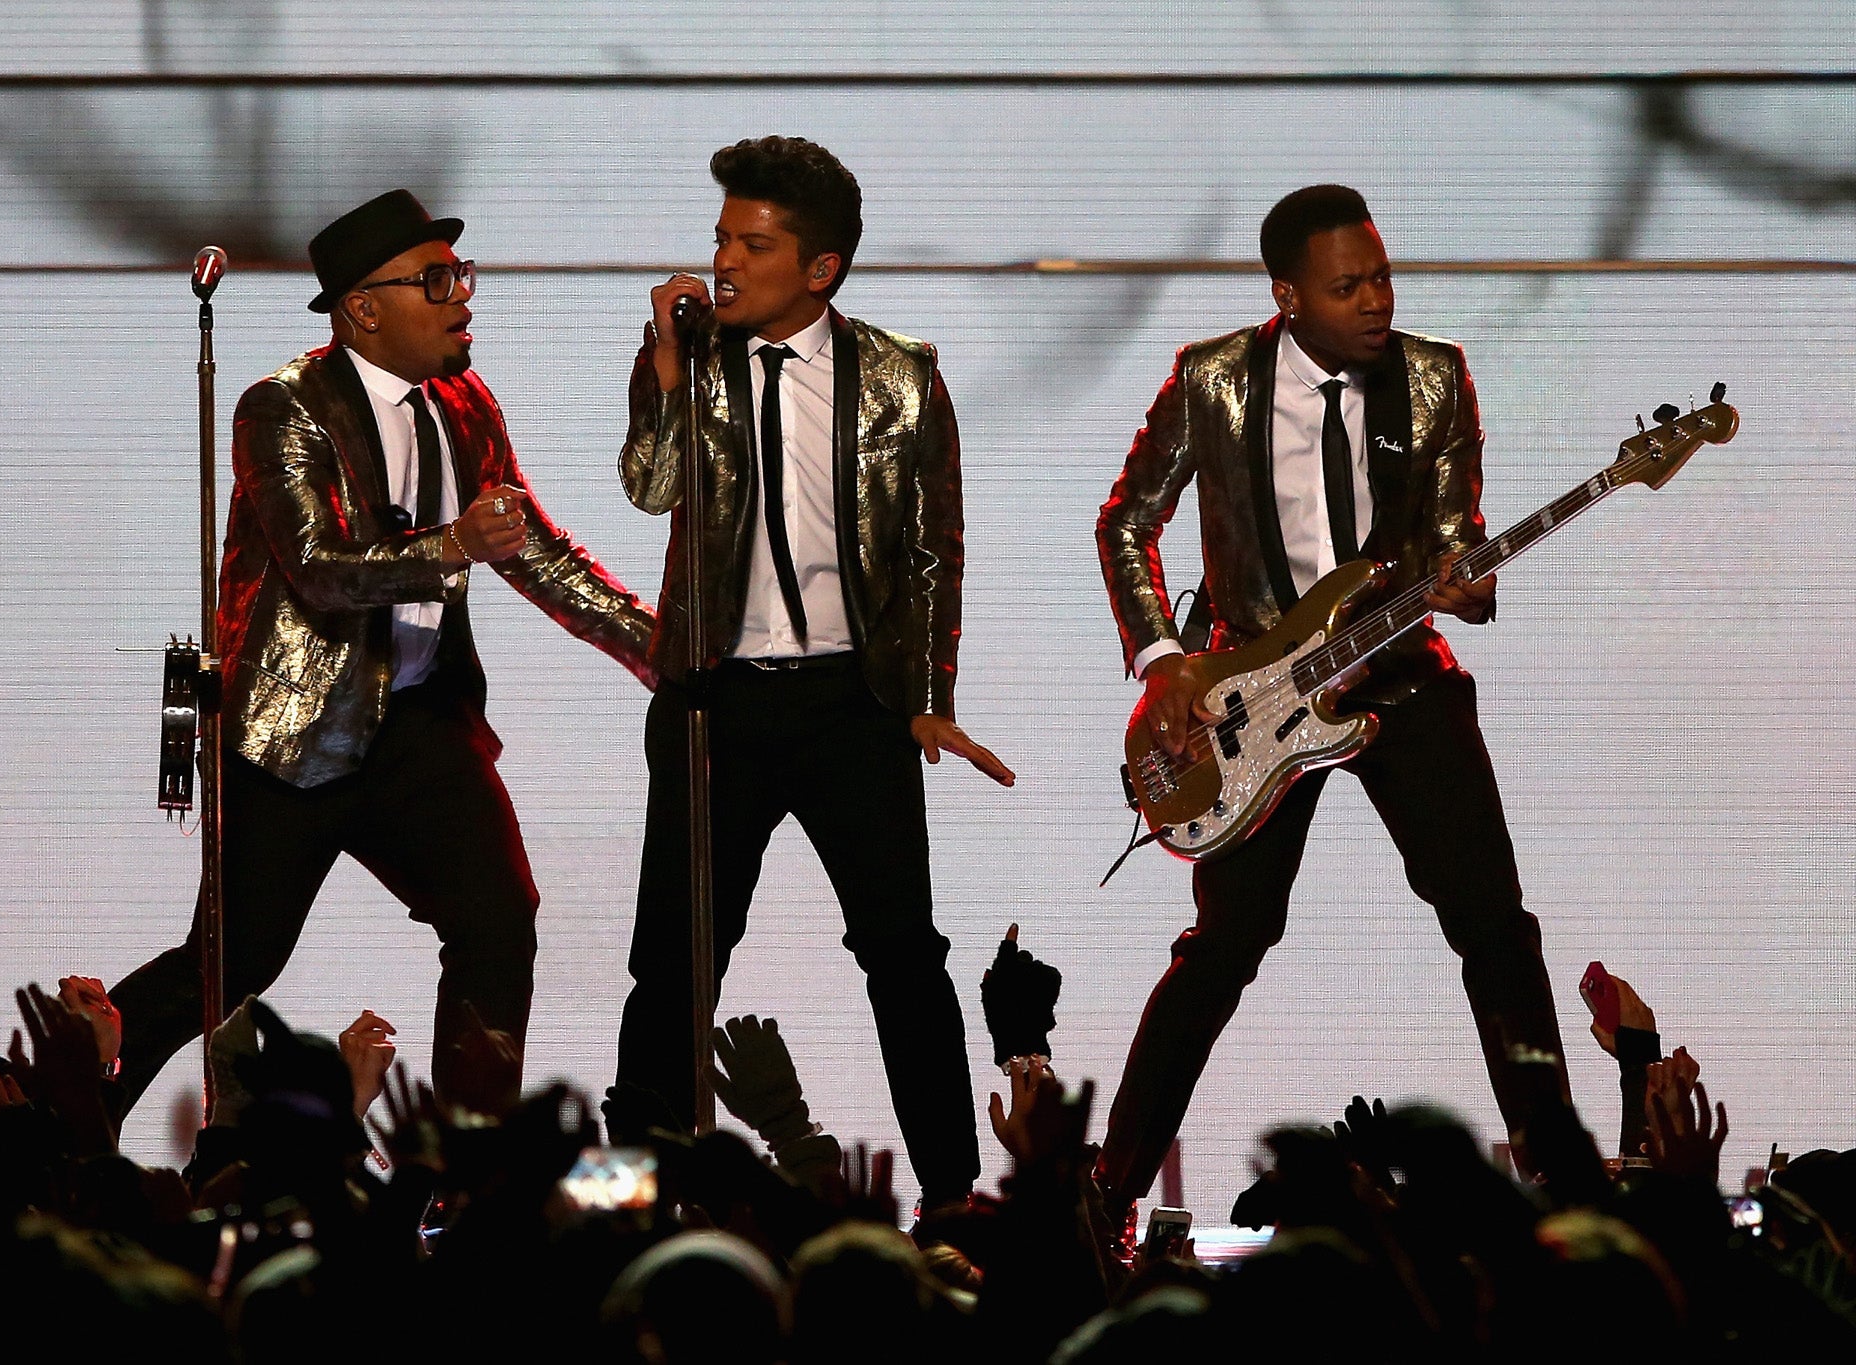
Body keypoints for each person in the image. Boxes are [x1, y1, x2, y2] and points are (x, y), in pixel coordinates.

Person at [104, 189, 655, 1121]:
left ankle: (465, 1168)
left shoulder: (464, 402)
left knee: (495, 922)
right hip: (295, 734)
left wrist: (659, 648)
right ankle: (54, 1106)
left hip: (419, 725)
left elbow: (532, 546)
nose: (462, 297)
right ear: (363, 309)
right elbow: (318, 571)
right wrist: (449, 547)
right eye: (437, 280)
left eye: (460, 276)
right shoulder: (282, 408)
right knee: (231, 964)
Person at [1092, 184, 1569, 1225]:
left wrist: (1465, 581)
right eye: (1345, 285)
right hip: (1250, 698)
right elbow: (1127, 522)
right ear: (1286, 295)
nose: (1372, 301)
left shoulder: (1433, 378)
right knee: (1223, 947)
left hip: (1395, 676)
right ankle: (1106, 1194)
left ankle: (1564, 1184)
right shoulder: (1211, 380)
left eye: (1381, 277)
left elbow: (1454, 532)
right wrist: (1164, 661)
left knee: (1493, 926)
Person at [613, 137, 1014, 1208]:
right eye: (720, 238)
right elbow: (649, 491)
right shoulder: (689, 361)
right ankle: (621, 1206)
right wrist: (662, 370)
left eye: (752, 242)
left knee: (902, 956)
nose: (724, 261)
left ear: (819, 268)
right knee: (673, 964)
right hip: (713, 700)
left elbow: (934, 548)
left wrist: (928, 702)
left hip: (854, 704)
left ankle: (952, 1196)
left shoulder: (898, 376)